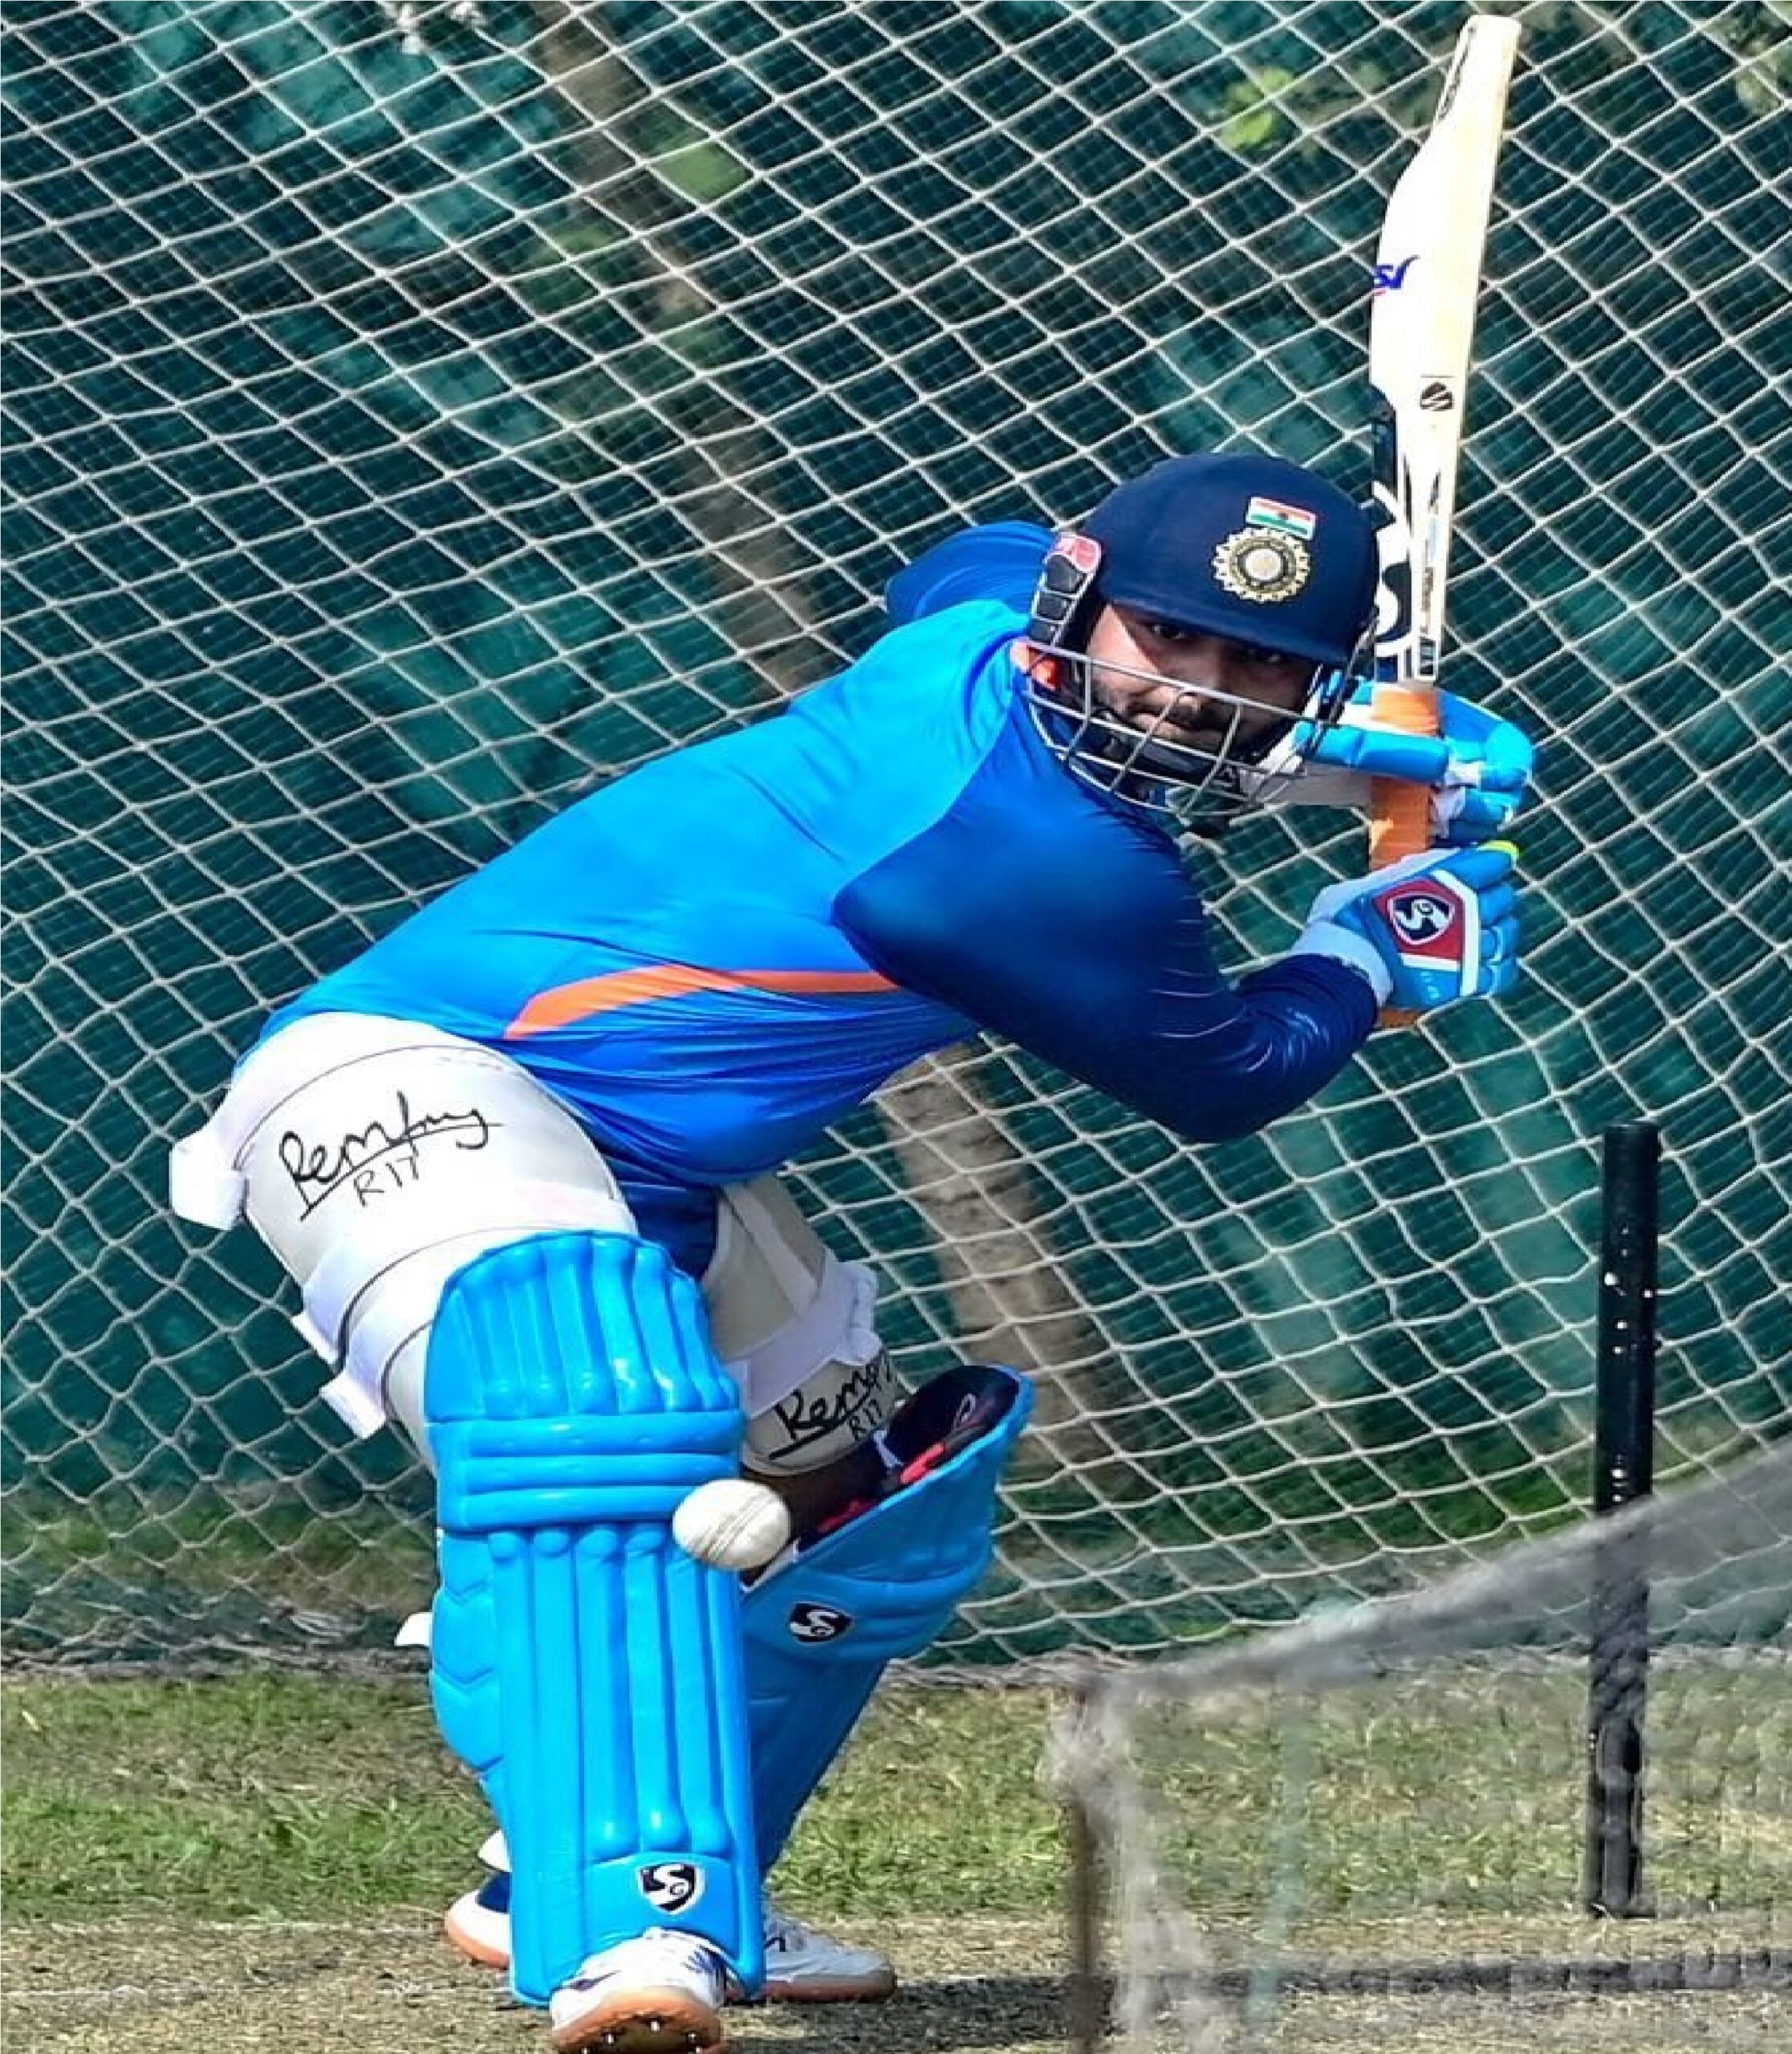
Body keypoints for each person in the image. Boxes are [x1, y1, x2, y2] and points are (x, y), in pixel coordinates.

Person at [169, 450, 1530, 2052]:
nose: (1193, 693)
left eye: (1257, 667)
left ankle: (550, 1876)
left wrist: (1343, 760)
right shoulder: (1039, 859)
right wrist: (1364, 955)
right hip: (407, 1082)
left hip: (657, 1162)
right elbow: (1226, 1078)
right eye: (1168, 638)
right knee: (593, 1409)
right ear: (1079, 600)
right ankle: (634, 1923)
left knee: (868, 1511)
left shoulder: (977, 632)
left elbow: (963, 556)